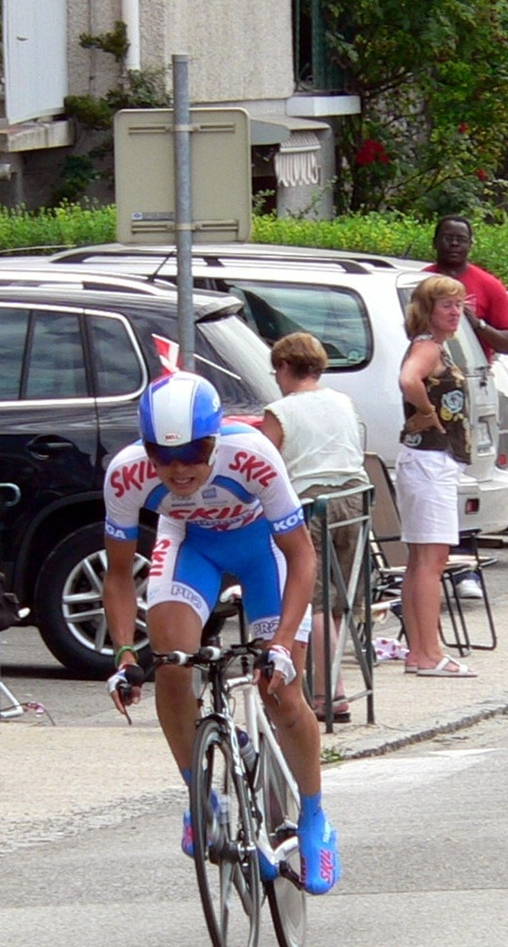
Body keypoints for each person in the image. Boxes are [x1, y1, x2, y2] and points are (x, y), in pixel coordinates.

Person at [101, 371, 340, 894]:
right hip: (192, 545)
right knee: (170, 664)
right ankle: (199, 796)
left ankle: (315, 815)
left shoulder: (252, 454)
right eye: (164, 457)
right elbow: (118, 576)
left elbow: (302, 556)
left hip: (263, 549)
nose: (180, 469)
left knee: (282, 692)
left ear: (215, 439)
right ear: (146, 450)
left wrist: (280, 643)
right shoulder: (126, 474)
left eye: (194, 451)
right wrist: (122, 654)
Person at [263, 332, 369, 724]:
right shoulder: (343, 401)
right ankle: (333, 681)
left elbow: (265, 461)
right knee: (339, 601)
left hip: (312, 503)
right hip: (355, 499)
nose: (277, 378)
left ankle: (328, 694)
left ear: (286, 367)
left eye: (277, 370)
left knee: (315, 601)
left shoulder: (281, 411)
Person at [397, 275, 476, 678]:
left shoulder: (435, 348)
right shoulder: (427, 348)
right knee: (432, 560)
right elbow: (409, 379)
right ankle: (429, 652)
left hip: (427, 461)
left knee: (420, 560)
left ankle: (419, 650)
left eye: (458, 304)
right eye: (446, 304)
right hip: (429, 461)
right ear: (427, 310)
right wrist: (427, 412)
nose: (454, 311)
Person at [425, 215, 508, 358]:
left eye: (461, 239)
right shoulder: (420, 281)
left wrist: (476, 325)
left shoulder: (489, 285)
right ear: (434, 243)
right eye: (448, 238)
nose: (454, 244)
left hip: (471, 374)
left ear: (470, 245)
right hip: (425, 371)